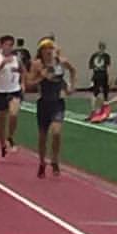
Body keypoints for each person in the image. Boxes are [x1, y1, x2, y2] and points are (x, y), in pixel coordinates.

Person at [25, 37, 76, 178]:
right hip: (44, 103)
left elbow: (72, 70)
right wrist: (41, 77)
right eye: (45, 49)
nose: (48, 51)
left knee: (56, 132)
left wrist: (71, 87)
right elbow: (29, 83)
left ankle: (55, 160)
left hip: (58, 102)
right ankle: (42, 162)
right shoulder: (37, 64)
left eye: (50, 48)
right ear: (41, 51)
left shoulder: (61, 62)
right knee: (42, 136)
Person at [0, 35, 26, 158]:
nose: (9, 47)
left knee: (13, 114)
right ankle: (2, 145)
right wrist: (1, 66)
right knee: (2, 123)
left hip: (14, 91)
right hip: (0, 92)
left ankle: (10, 137)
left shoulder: (16, 59)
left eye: (11, 45)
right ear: (1, 45)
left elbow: (23, 71)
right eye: (6, 44)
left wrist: (22, 83)